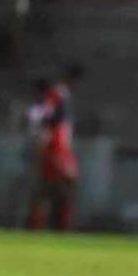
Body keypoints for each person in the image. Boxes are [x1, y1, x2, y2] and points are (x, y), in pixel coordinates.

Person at [27, 64, 82, 231]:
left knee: (53, 187)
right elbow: (40, 112)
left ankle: (44, 224)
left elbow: (40, 113)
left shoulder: (62, 95)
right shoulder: (58, 93)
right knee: (61, 186)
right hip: (56, 147)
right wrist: (38, 129)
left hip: (58, 146)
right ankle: (51, 226)